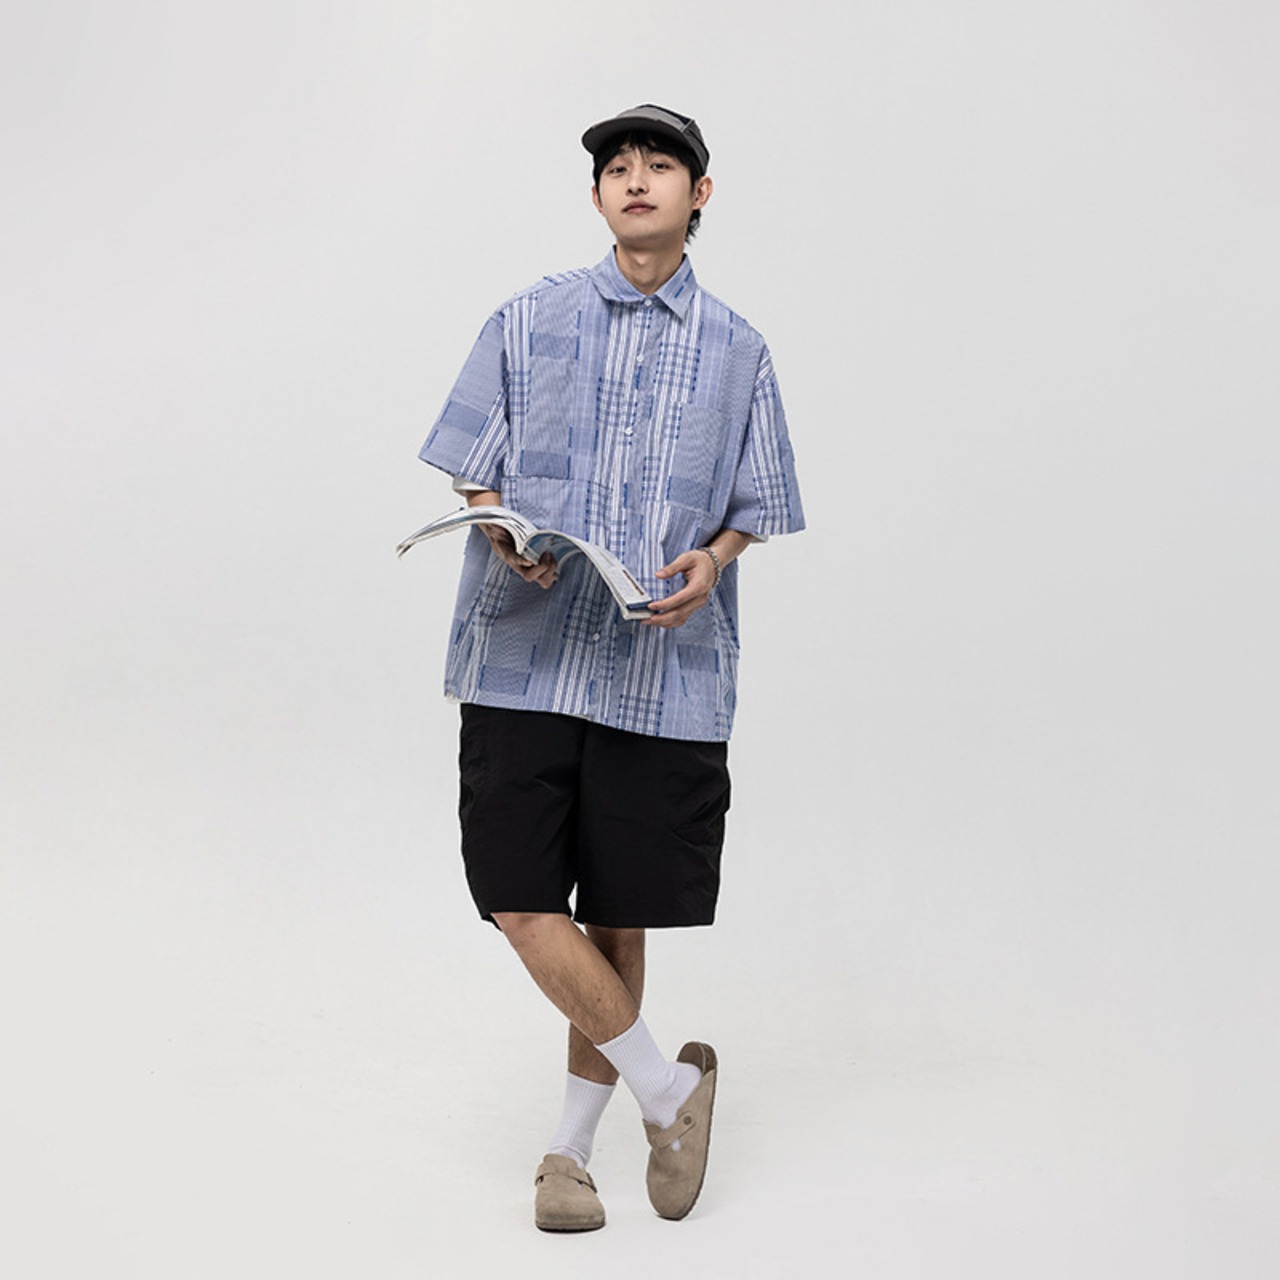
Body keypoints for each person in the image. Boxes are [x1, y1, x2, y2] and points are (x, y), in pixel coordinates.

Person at [417, 104, 804, 1230]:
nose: (636, 179)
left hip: (657, 663)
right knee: (519, 897)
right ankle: (668, 1091)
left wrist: (713, 560)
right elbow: (471, 459)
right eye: (617, 168)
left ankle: (569, 1154)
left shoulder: (739, 350)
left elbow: (757, 502)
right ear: (596, 197)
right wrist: (495, 521)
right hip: (522, 654)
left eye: (659, 165)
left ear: (699, 193)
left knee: (616, 910)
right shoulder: (525, 318)